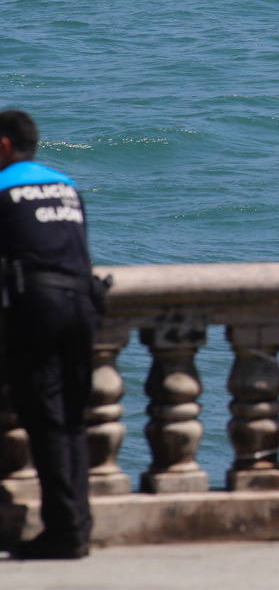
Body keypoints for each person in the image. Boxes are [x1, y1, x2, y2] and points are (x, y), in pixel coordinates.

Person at [0, 110, 108, 560]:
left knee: (45, 420)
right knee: (72, 418)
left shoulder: (3, 189)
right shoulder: (65, 185)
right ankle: (78, 525)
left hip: (37, 310)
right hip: (83, 307)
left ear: (4, 146)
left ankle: (63, 532)